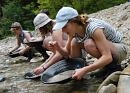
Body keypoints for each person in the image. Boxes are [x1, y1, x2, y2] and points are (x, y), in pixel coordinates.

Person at [52, 7, 128, 80]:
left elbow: (107, 57)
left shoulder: (93, 28)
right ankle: (78, 69)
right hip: (108, 51)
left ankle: (113, 68)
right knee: (74, 42)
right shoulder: (72, 32)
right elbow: (66, 54)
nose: (62, 30)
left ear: (73, 22)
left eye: (64, 26)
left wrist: (85, 70)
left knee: (88, 43)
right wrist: (57, 47)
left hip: (120, 50)